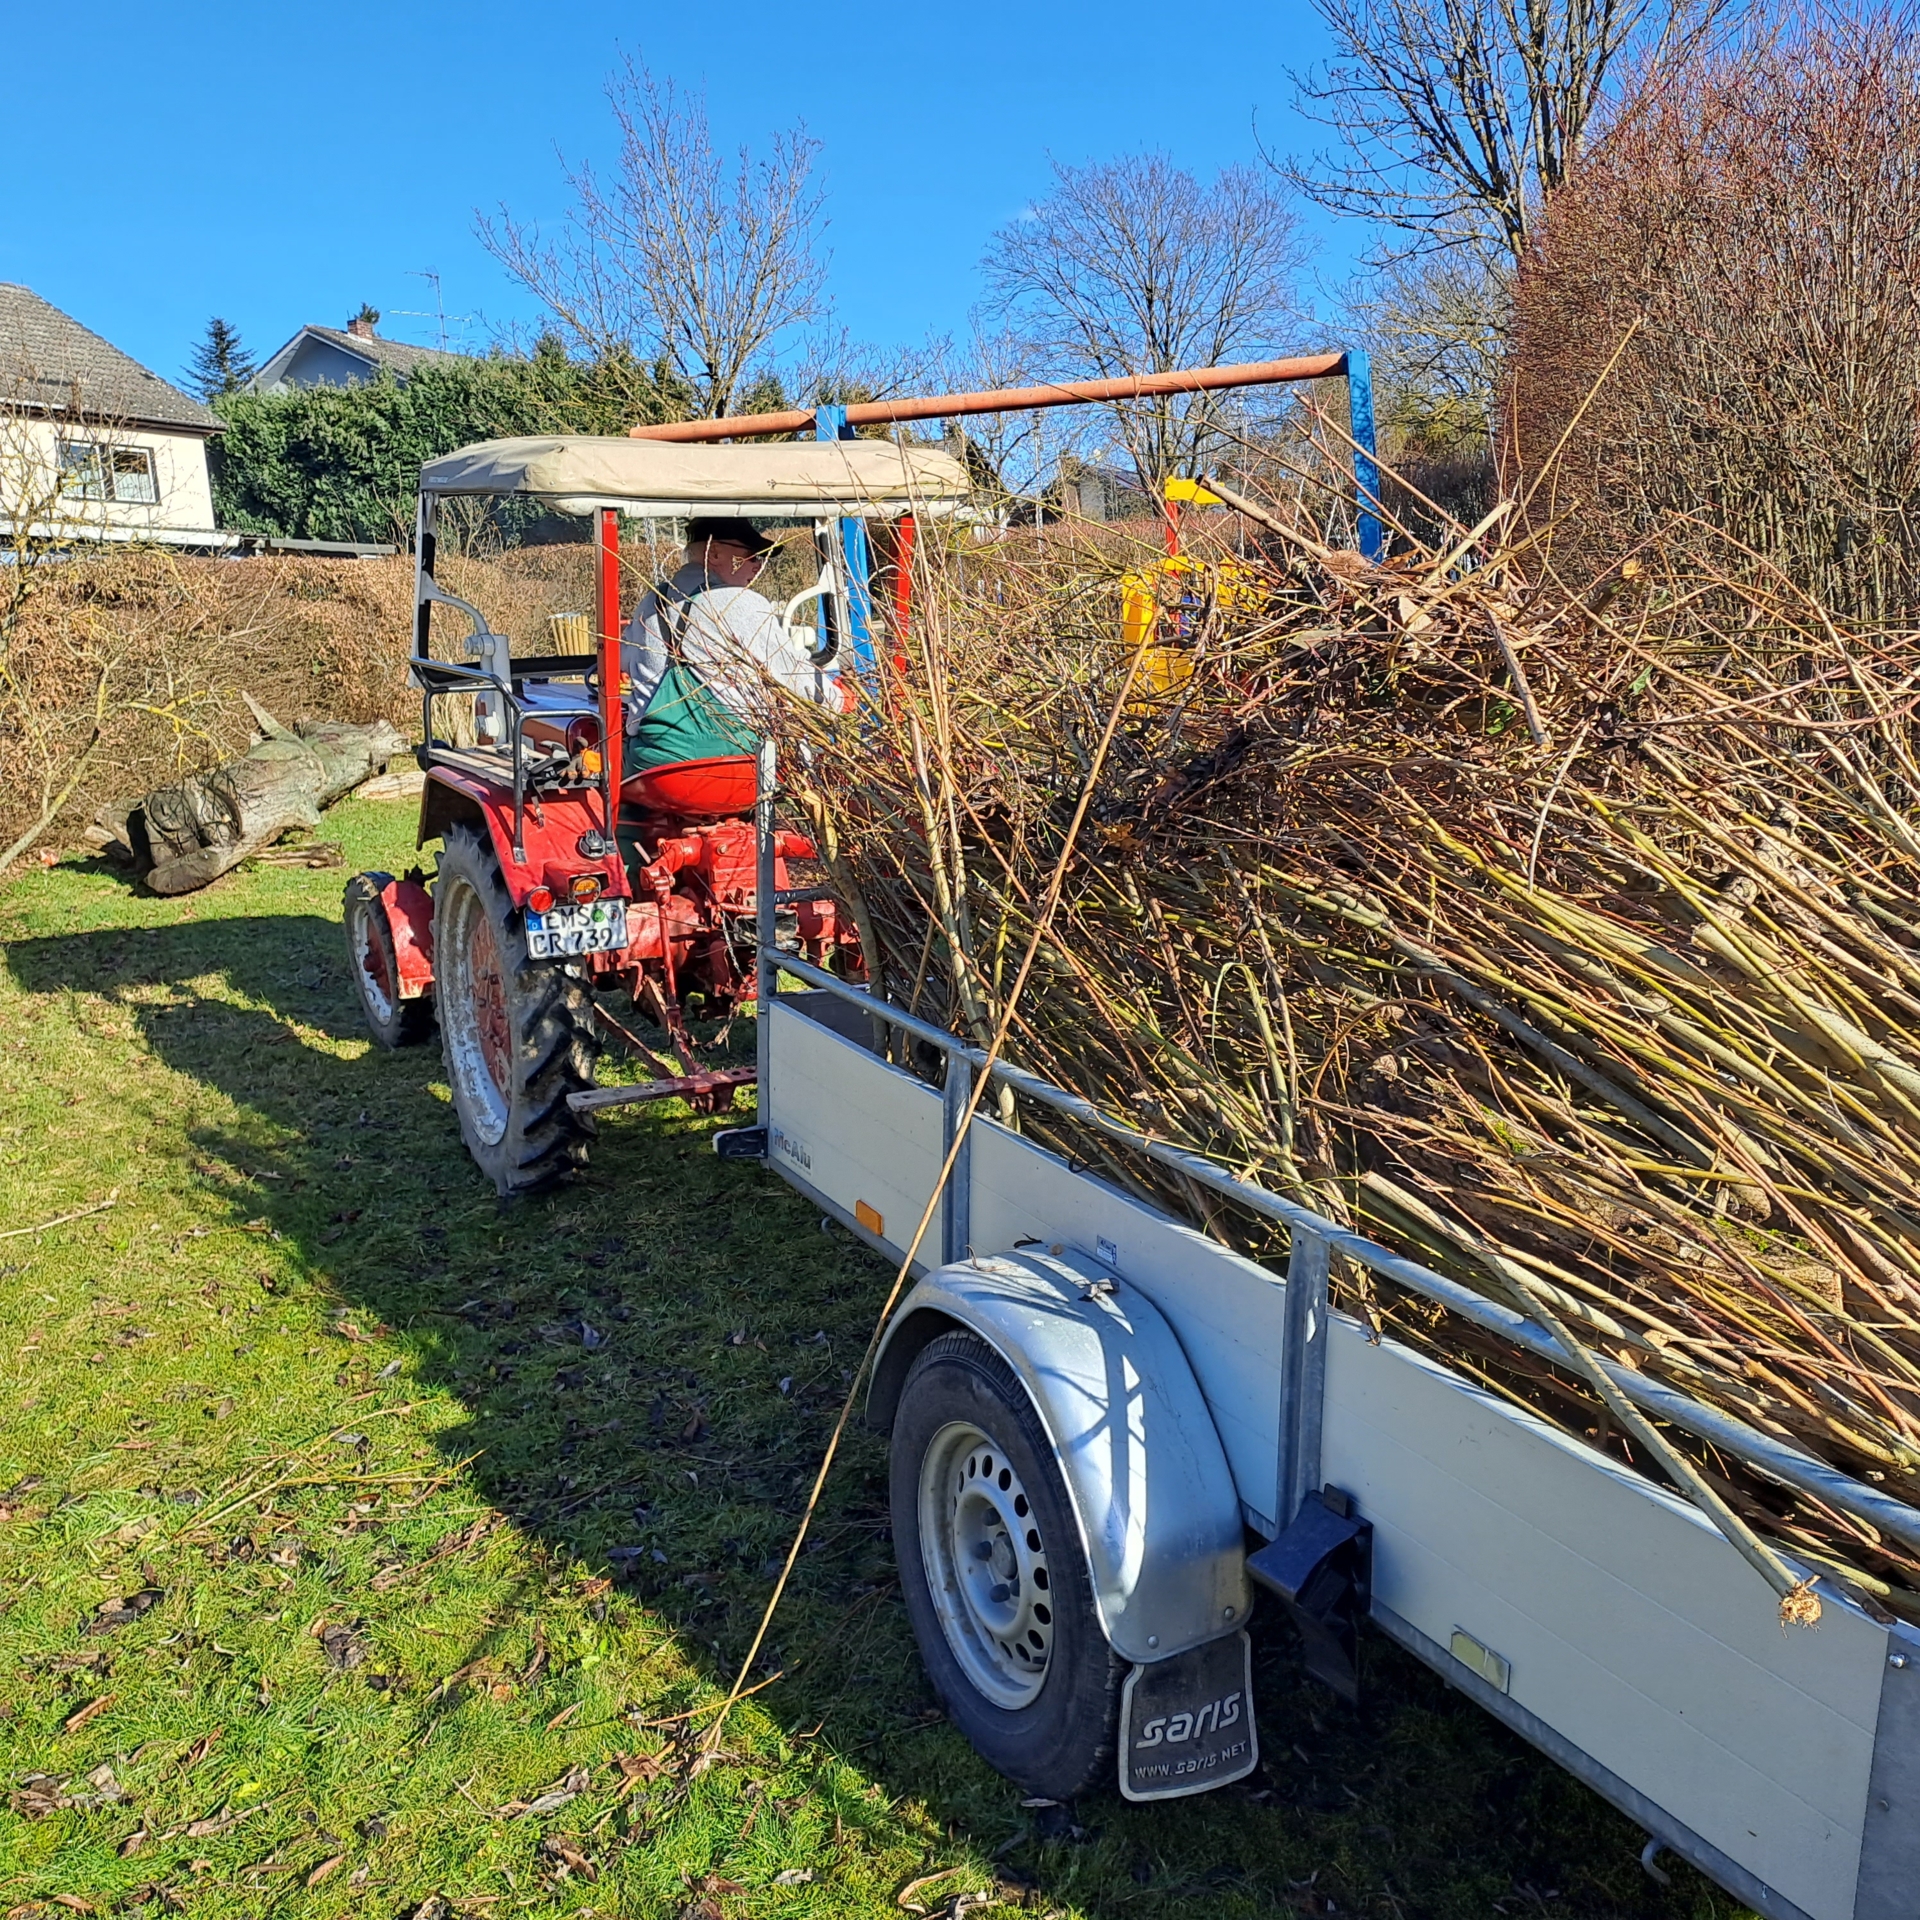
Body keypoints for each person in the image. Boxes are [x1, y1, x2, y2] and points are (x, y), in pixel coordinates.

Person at [622, 517, 839, 728]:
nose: (758, 566)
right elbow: (795, 677)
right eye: (753, 556)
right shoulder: (740, 602)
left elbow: (624, 661)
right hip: (725, 756)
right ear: (714, 553)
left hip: (649, 755)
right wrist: (836, 700)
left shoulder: (651, 600)